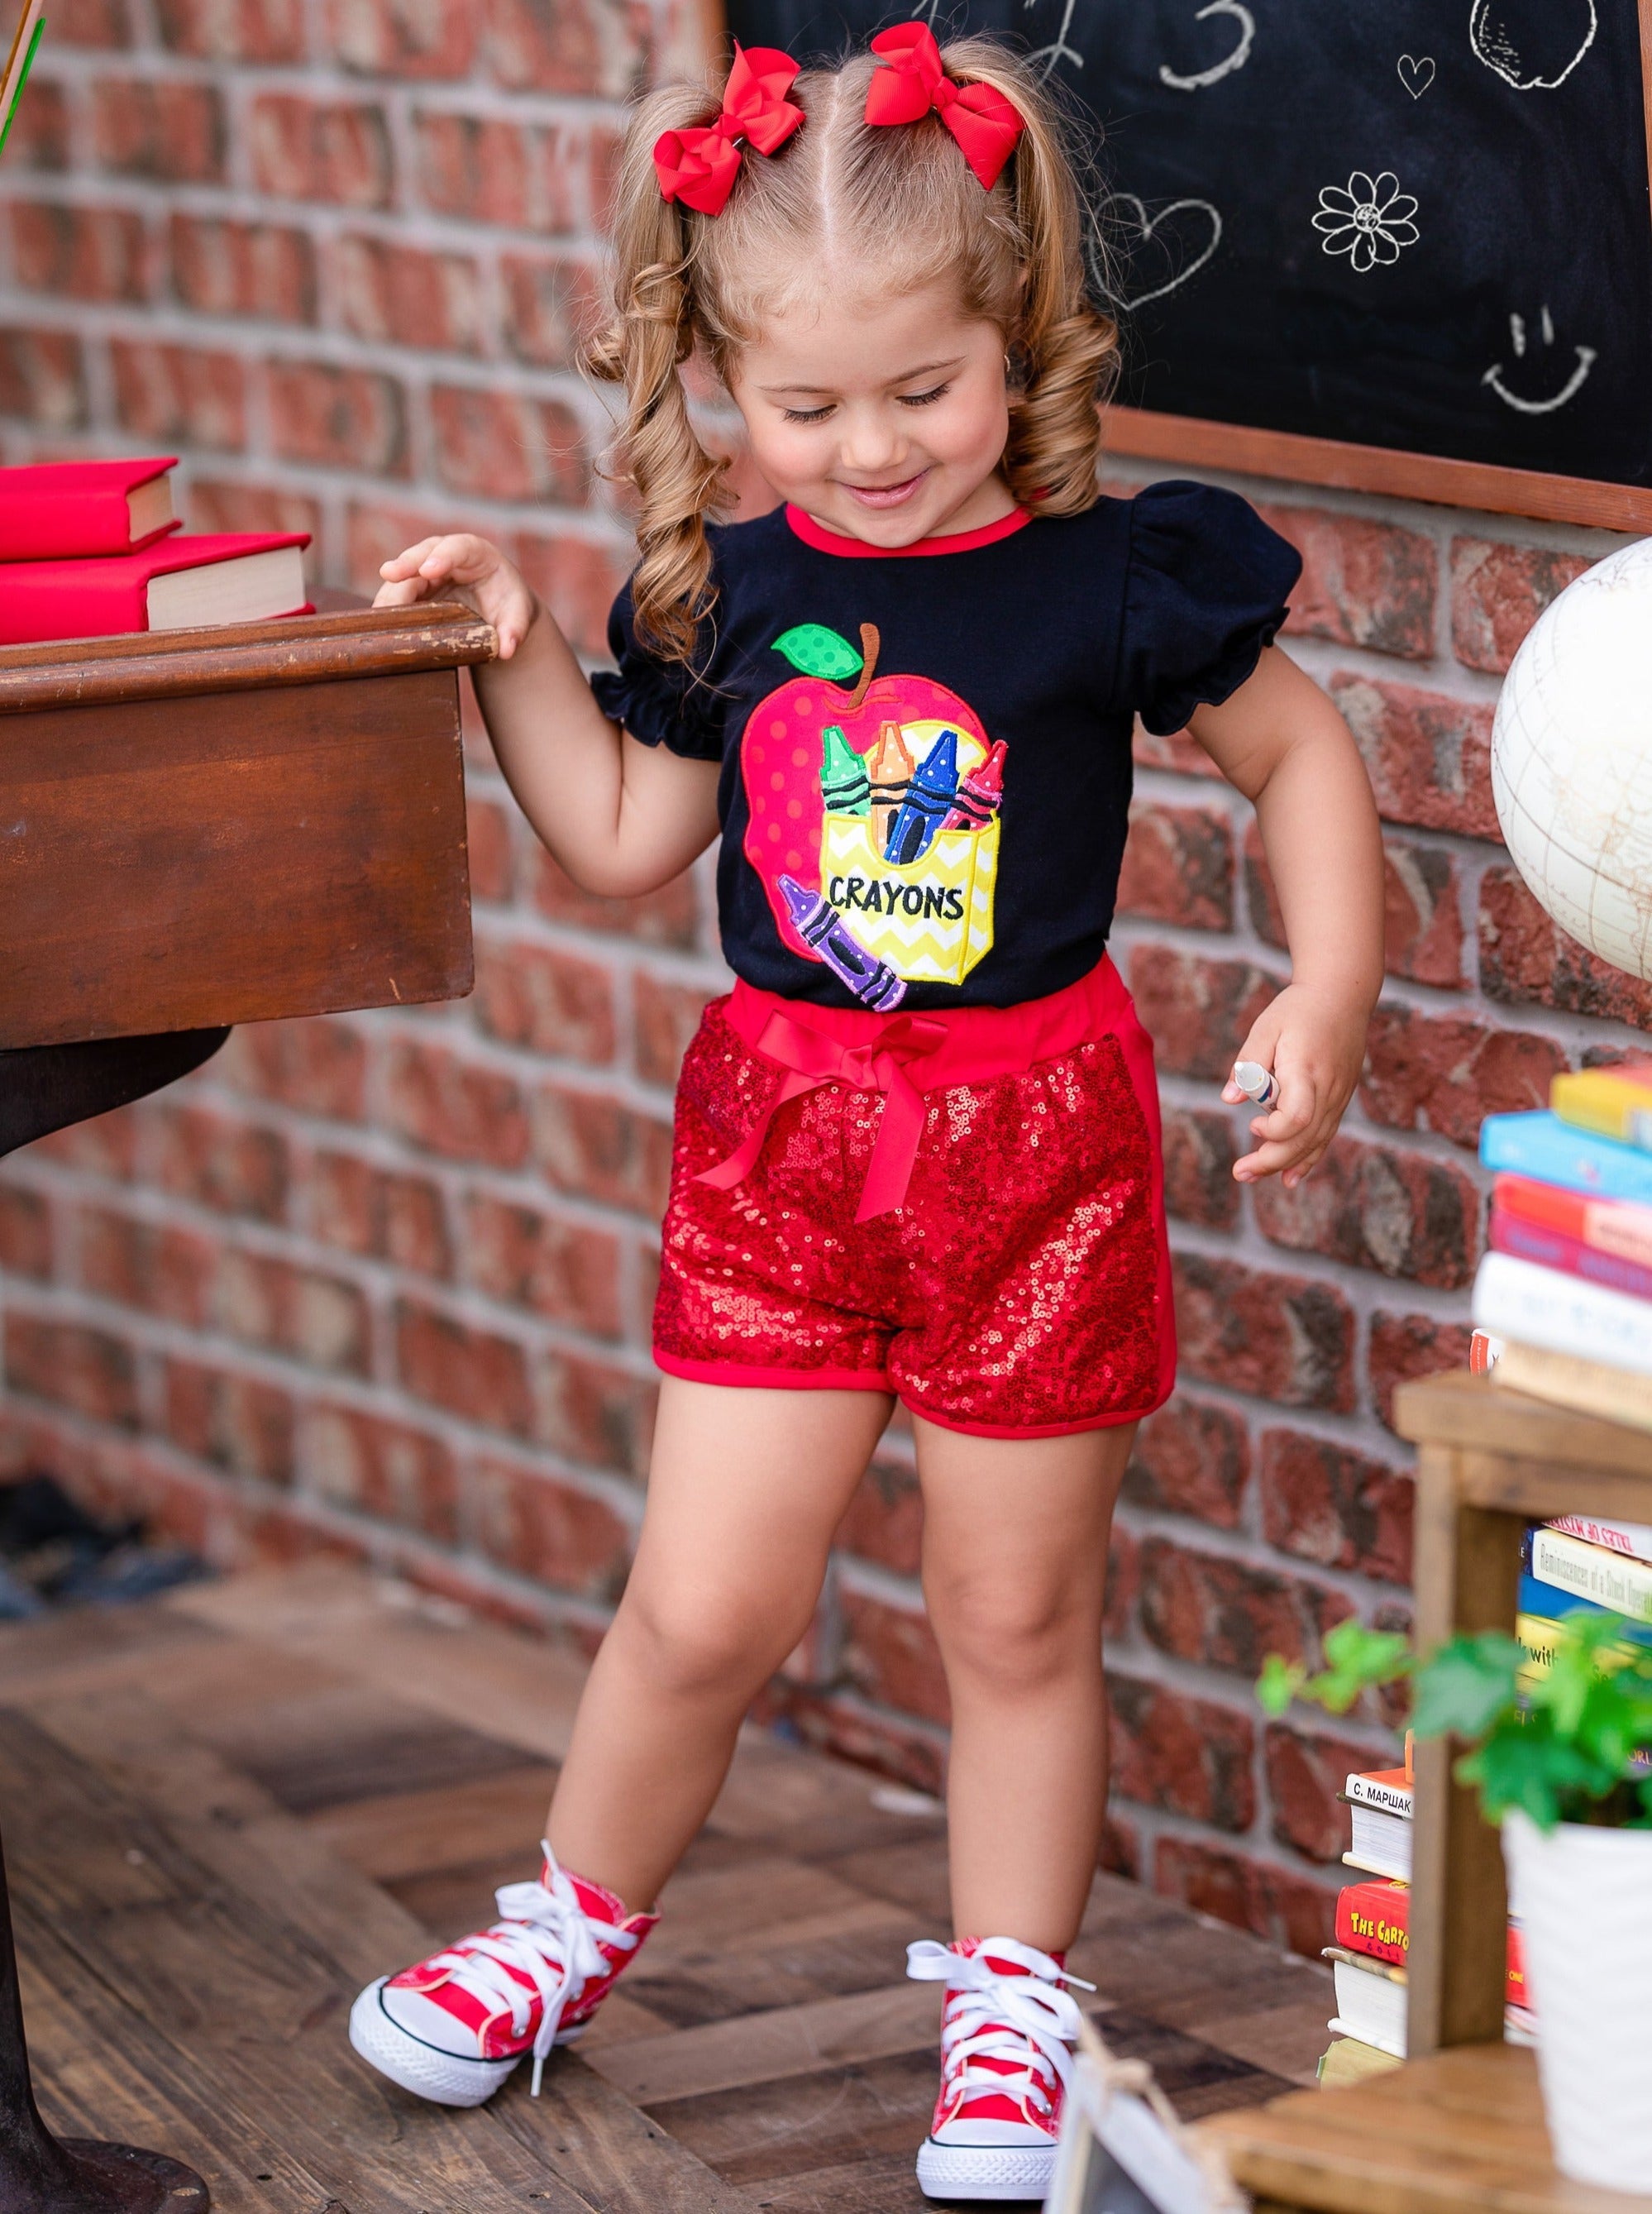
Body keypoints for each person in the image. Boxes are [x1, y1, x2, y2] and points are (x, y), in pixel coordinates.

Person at [346, 26, 1384, 2202]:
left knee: (1012, 1619)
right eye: (807, 406)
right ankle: (563, 1934)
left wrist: (1333, 985)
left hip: (1039, 1159)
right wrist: (513, 648)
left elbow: (1301, 754)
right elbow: (622, 837)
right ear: (721, 381)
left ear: (1013, 330)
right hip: (785, 1159)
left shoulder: (1113, 575)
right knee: (702, 1609)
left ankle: (1011, 2008)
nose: (876, 446)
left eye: (926, 388)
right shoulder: (725, 592)